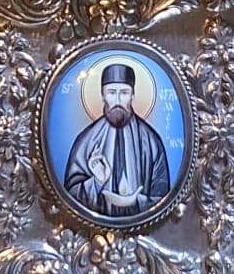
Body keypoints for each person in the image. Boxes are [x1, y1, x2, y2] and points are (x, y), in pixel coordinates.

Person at [62, 63, 172, 218]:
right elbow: (69, 196)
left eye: (125, 93)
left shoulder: (151, 141)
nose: (118, 100)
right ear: (103, 96)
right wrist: (97, 182)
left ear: (133, 95)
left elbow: (163, 197)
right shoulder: (86, 141)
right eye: (112, 93)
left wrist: (136, 202)